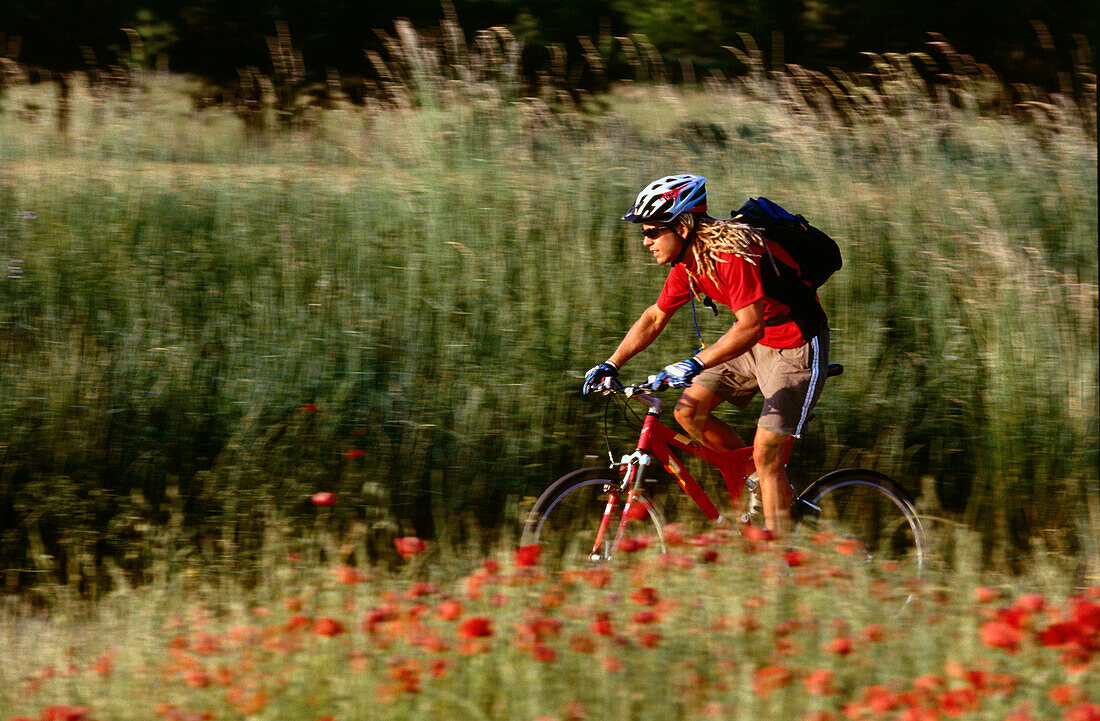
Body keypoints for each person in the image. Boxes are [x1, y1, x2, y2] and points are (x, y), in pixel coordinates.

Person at [581, 174, 830, 537]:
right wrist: (611, 363)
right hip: (753, 346)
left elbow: (750, 326)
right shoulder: (688, 265)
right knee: (687, 411)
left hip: (797, 346)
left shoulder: (733, 254)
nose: (646, 241)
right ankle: (761, 484)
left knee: (768, 453)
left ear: (682, 226)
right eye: (644, 233)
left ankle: (780, 567)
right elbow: (655, 317)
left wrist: (695, 362)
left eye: (652, 232)